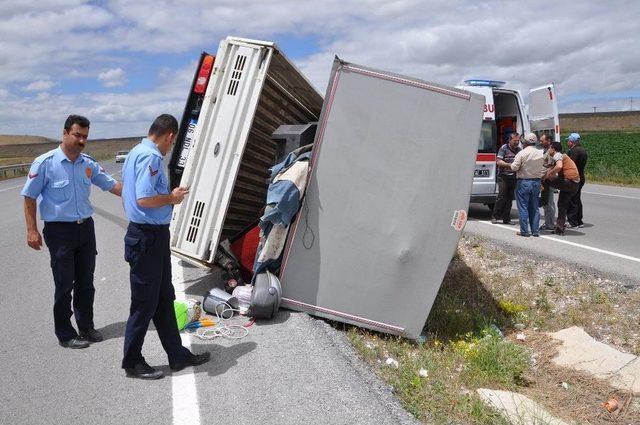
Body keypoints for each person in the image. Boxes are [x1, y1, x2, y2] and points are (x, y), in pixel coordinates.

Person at [121, 114, 210, 380]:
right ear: (170, 136)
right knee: (144, 303)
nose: (170, 147)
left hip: (150, 237)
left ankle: (176, 354)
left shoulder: (135, 152)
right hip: (147, 237)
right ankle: (132, 362)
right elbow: (145, 198)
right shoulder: (150, 157)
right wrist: (172, 197)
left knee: (162, 299)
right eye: (172, 143)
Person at [21, 115, 122, 349]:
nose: (81, 140)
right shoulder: (45, 163)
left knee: (86, 282)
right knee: (64, 284)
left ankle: (86, 327)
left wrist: (140, 199)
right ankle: (65, 334)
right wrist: (31, 230)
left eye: (85, 136)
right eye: (77, 135)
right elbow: (29, 196)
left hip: (85, 229)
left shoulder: (87, 163)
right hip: (60, 232)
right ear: (65, 133)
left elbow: (111, 184)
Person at [510, 132, 545, 237]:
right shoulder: (541, 153)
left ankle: (524, 231)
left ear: (524, 142)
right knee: (534, 207)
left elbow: (514, 167)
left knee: (523, 207)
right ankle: (535, 231)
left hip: (524, 181)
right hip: (536, 182)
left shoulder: (521, 153)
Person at [543, 142, 580, 235]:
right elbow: (551, 166)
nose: (548, 150)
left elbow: (559, 166)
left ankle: (542, 200)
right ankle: (559, 228)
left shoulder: (558, 155)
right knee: (562, 205)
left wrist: (549, 173)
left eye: (549, 148)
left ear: (553, 149)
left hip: (569, 182)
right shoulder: (562, 156)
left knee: (546, 180)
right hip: (574, 184)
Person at [491, 132, 521, 224]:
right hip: (503, 176)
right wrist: (509, 165)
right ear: (510, 140)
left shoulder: (519, 150)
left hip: (514, 177)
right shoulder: (504, 148)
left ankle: (506, 218)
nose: (517, 143)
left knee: (509, 198)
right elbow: (499, 161)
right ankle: (495, 216)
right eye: (515, 141)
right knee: (501, 197)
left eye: (518, 141)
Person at [539, 133, 561, 231]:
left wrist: (545, 175)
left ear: (548, 141)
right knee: (547, 202)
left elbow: (551, 166)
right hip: (544, 179)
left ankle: (550, 224)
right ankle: (548, 222)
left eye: (542, 140)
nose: (540, 142)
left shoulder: (551, 153)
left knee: (548, 202)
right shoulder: (545, 151)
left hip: (547, 180)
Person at [566, 133, 588, 228]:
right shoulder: (583, 150)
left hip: (574, 178)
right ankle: (579, 221)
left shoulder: (574, 151)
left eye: (568, 141)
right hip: (581, 176)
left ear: (572, 142)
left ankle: (573, 222)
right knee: (577, 199)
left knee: (572, 200)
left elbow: (571, 165)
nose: (567, 142)